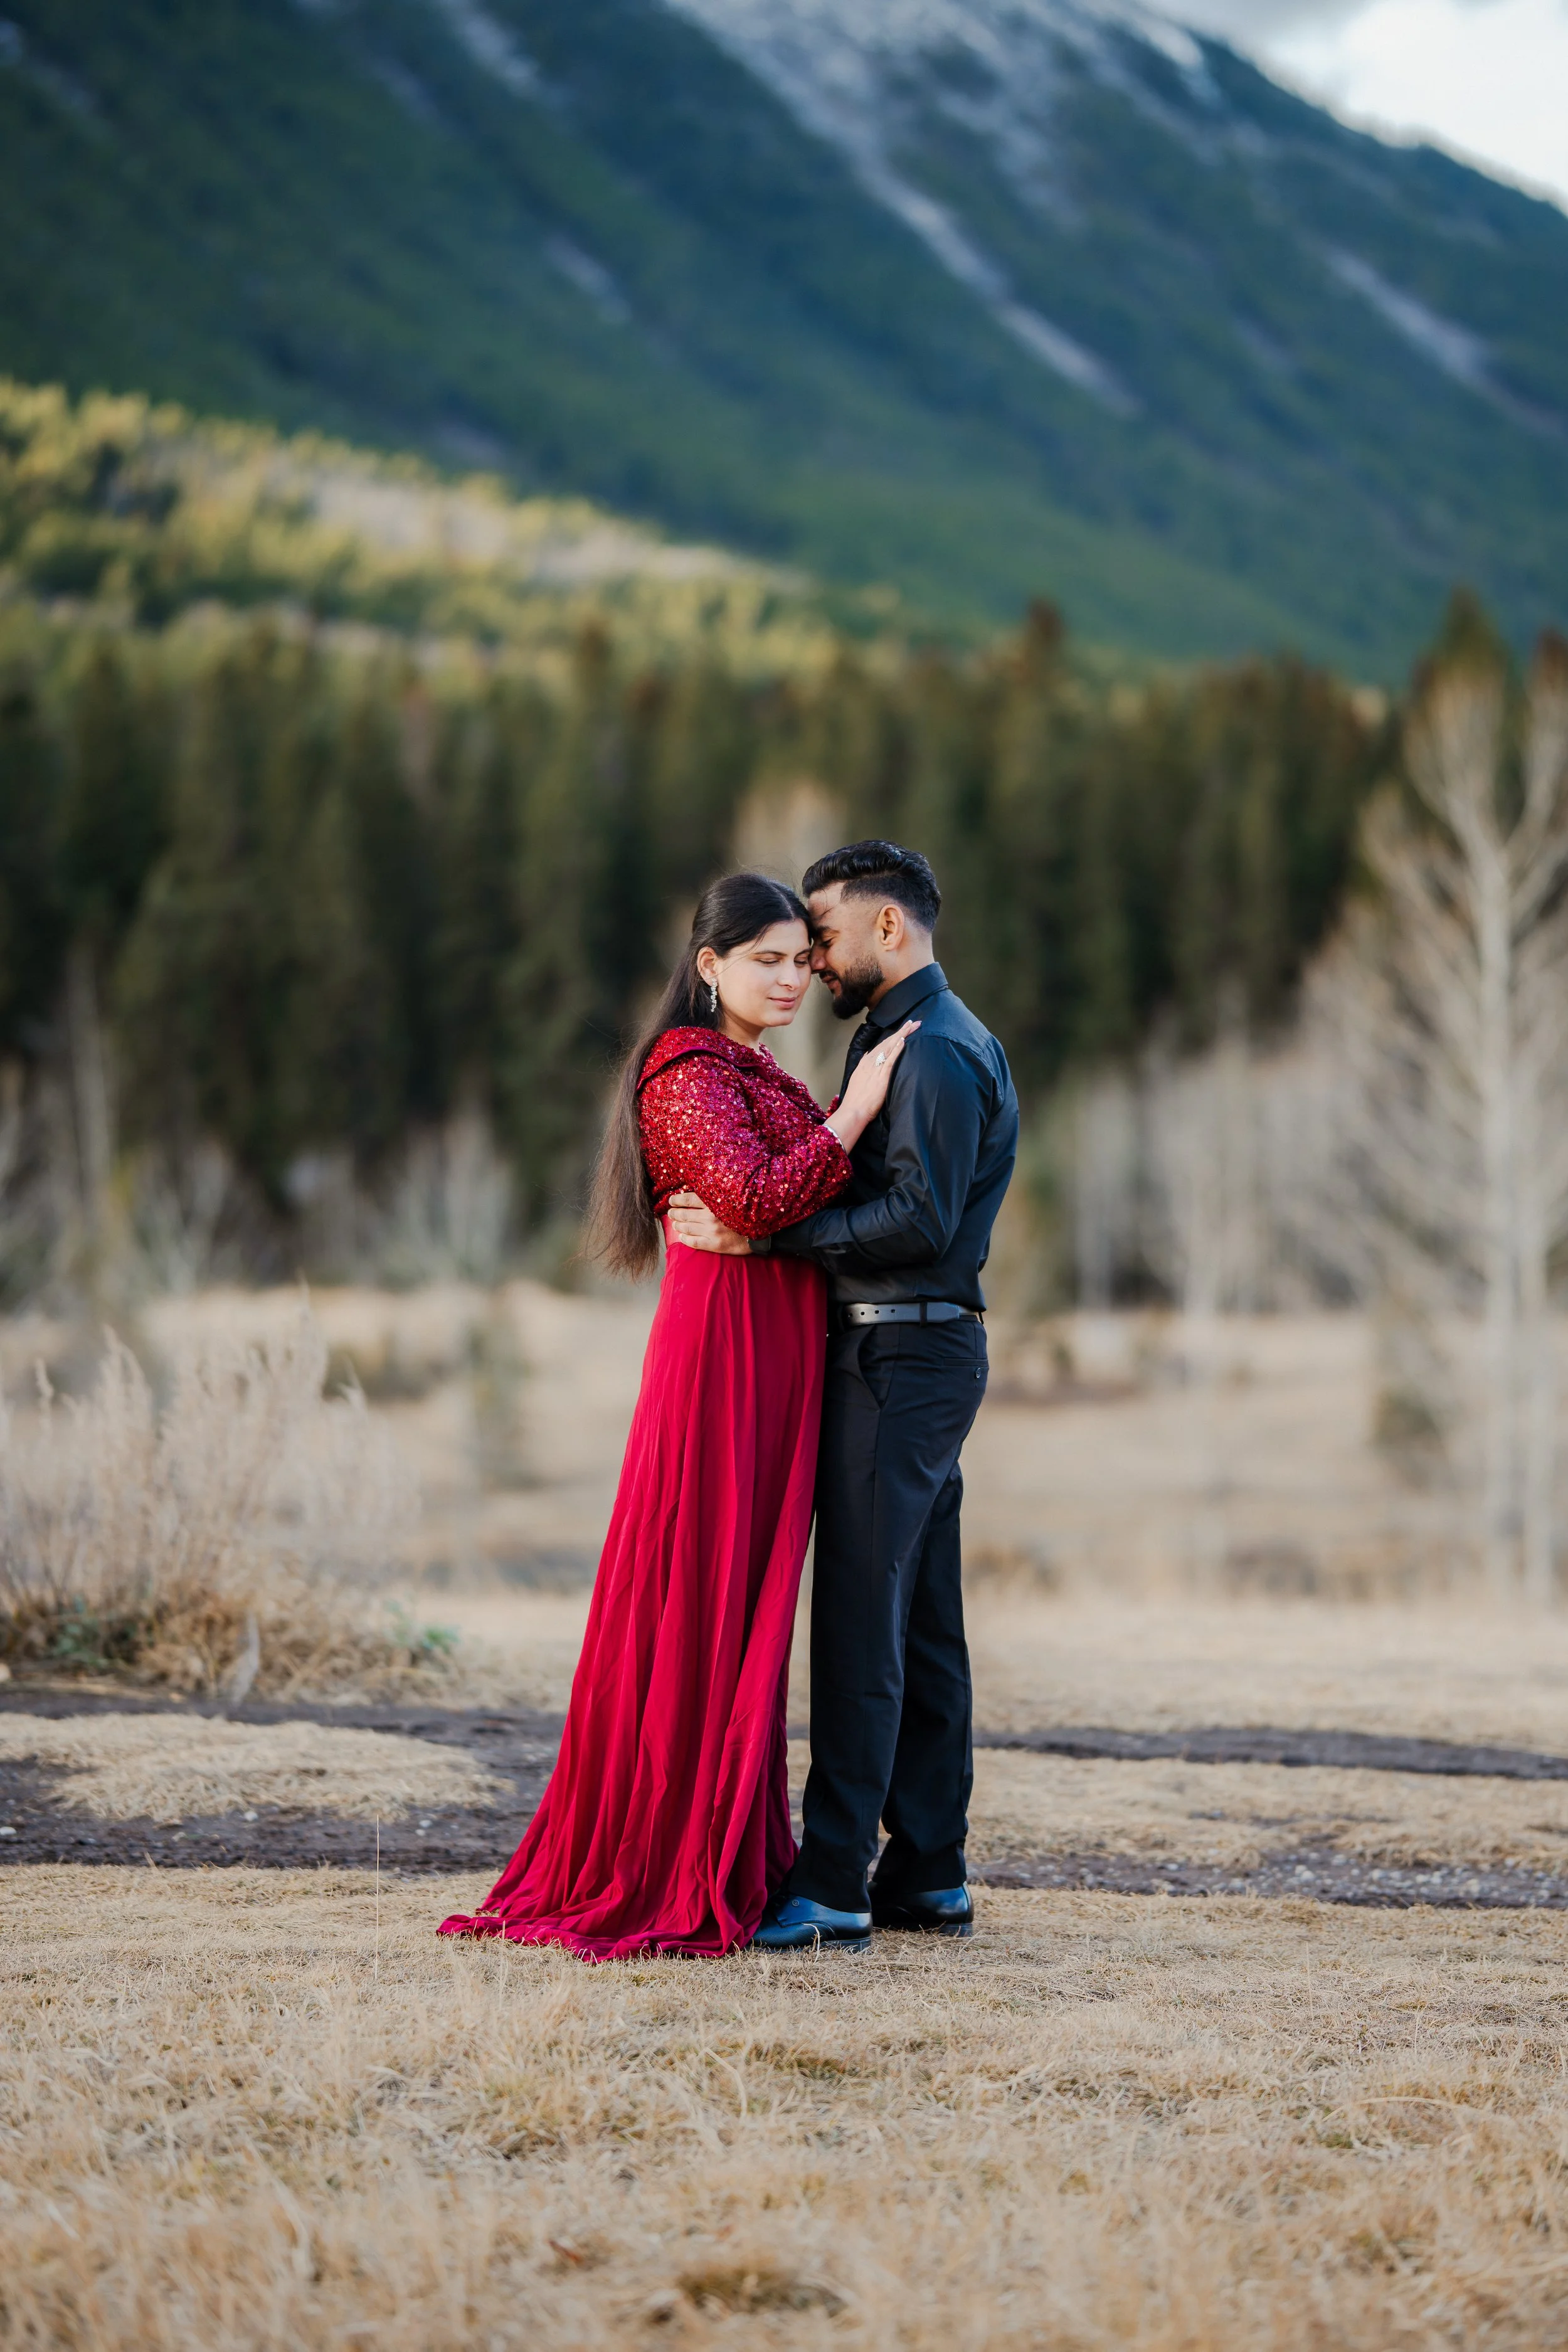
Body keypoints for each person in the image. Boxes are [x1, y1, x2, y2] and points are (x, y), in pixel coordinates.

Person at [438, 871, 916, 1960]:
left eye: (804, 959)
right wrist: (851, 1111)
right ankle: (663, 1848)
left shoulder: (748, 1067)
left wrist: (797, 1193)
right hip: (724, 1360)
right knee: (699, 1586)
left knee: (747, 1596)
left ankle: (736, 1845)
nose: (794, 977)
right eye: (769, 959)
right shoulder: (682, 1067)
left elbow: (779, 1206)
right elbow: (750, 1198)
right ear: (710, 966)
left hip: (778, 1357)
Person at [668, 841, 1018, 1951]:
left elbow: (918, 1222)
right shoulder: (899, 1045)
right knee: (919, 1622)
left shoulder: (938, 1054)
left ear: (887, 929)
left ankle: (831, 1882)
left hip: (902, 1356)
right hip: (906, 1354)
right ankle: (929, 1870)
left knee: (868, 1619)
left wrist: (766, 1229)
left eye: (821, 934)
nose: (811, 960)